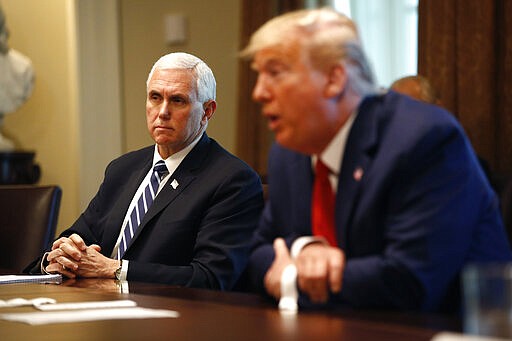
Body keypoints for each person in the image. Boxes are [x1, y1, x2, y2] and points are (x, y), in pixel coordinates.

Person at [240, 8, 512, 312]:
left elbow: (409, 281)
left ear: (334, 79)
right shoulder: (288, 153)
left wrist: (291, 277)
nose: (258, 93)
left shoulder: (423, 138)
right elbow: (255, 253)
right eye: (258, 74)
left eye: (275, 72)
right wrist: (306, 248)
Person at [25, 52, 264, 291]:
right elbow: (78, 238)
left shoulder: (232, 180)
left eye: (178, 100)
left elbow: (210, 278)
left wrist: (115, 269)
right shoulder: (123, 169)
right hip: (100, 308)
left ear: (207, 111)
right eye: (155, 97)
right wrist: (57, 259)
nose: (162, 112)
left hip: (173, 319)